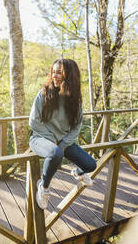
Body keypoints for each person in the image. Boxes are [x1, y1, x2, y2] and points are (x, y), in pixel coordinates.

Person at [29, 58, 96, 210]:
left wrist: (63, 143)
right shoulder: (44, 93)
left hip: (62, 142)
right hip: (39, 138)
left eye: (59, 72)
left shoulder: (75, 100)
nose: (54, 75)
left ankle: (77, 173)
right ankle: (44, 187)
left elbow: (77, 126)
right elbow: (34, 121)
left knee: (90, 165)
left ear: (69, 75)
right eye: (53, 72)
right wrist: (54, 141)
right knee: (55, 152)